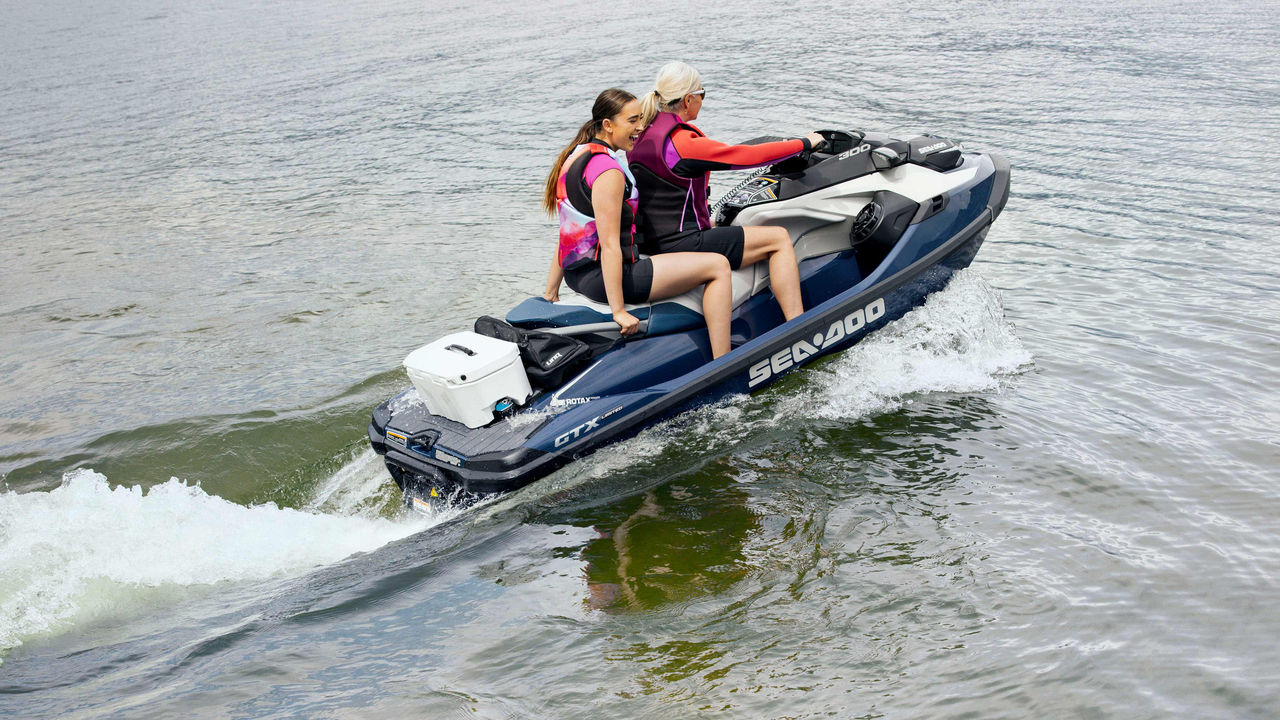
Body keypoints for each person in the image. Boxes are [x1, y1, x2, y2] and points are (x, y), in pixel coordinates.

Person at [542, 89, 734, 358]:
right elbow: (609, 246)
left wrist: (550, 292)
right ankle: (723, 362)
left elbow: (569, 234)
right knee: (718, 266)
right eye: (632, 121)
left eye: (641, 119)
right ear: (608, 125)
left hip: (577, 277)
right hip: (605, 279)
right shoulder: (608, 171)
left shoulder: (574, 156)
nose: (640, 127)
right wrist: (619, 311)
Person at [630, 61, 824, 323]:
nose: (701, 100)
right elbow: (742, 157)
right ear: (688, 100)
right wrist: (803, 143)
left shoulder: (641, 135)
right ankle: (798, 326)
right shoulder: (682, 142)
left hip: (651, 241)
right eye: (702, 95)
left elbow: (665, 193)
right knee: (778, 239)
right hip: (683, 243)